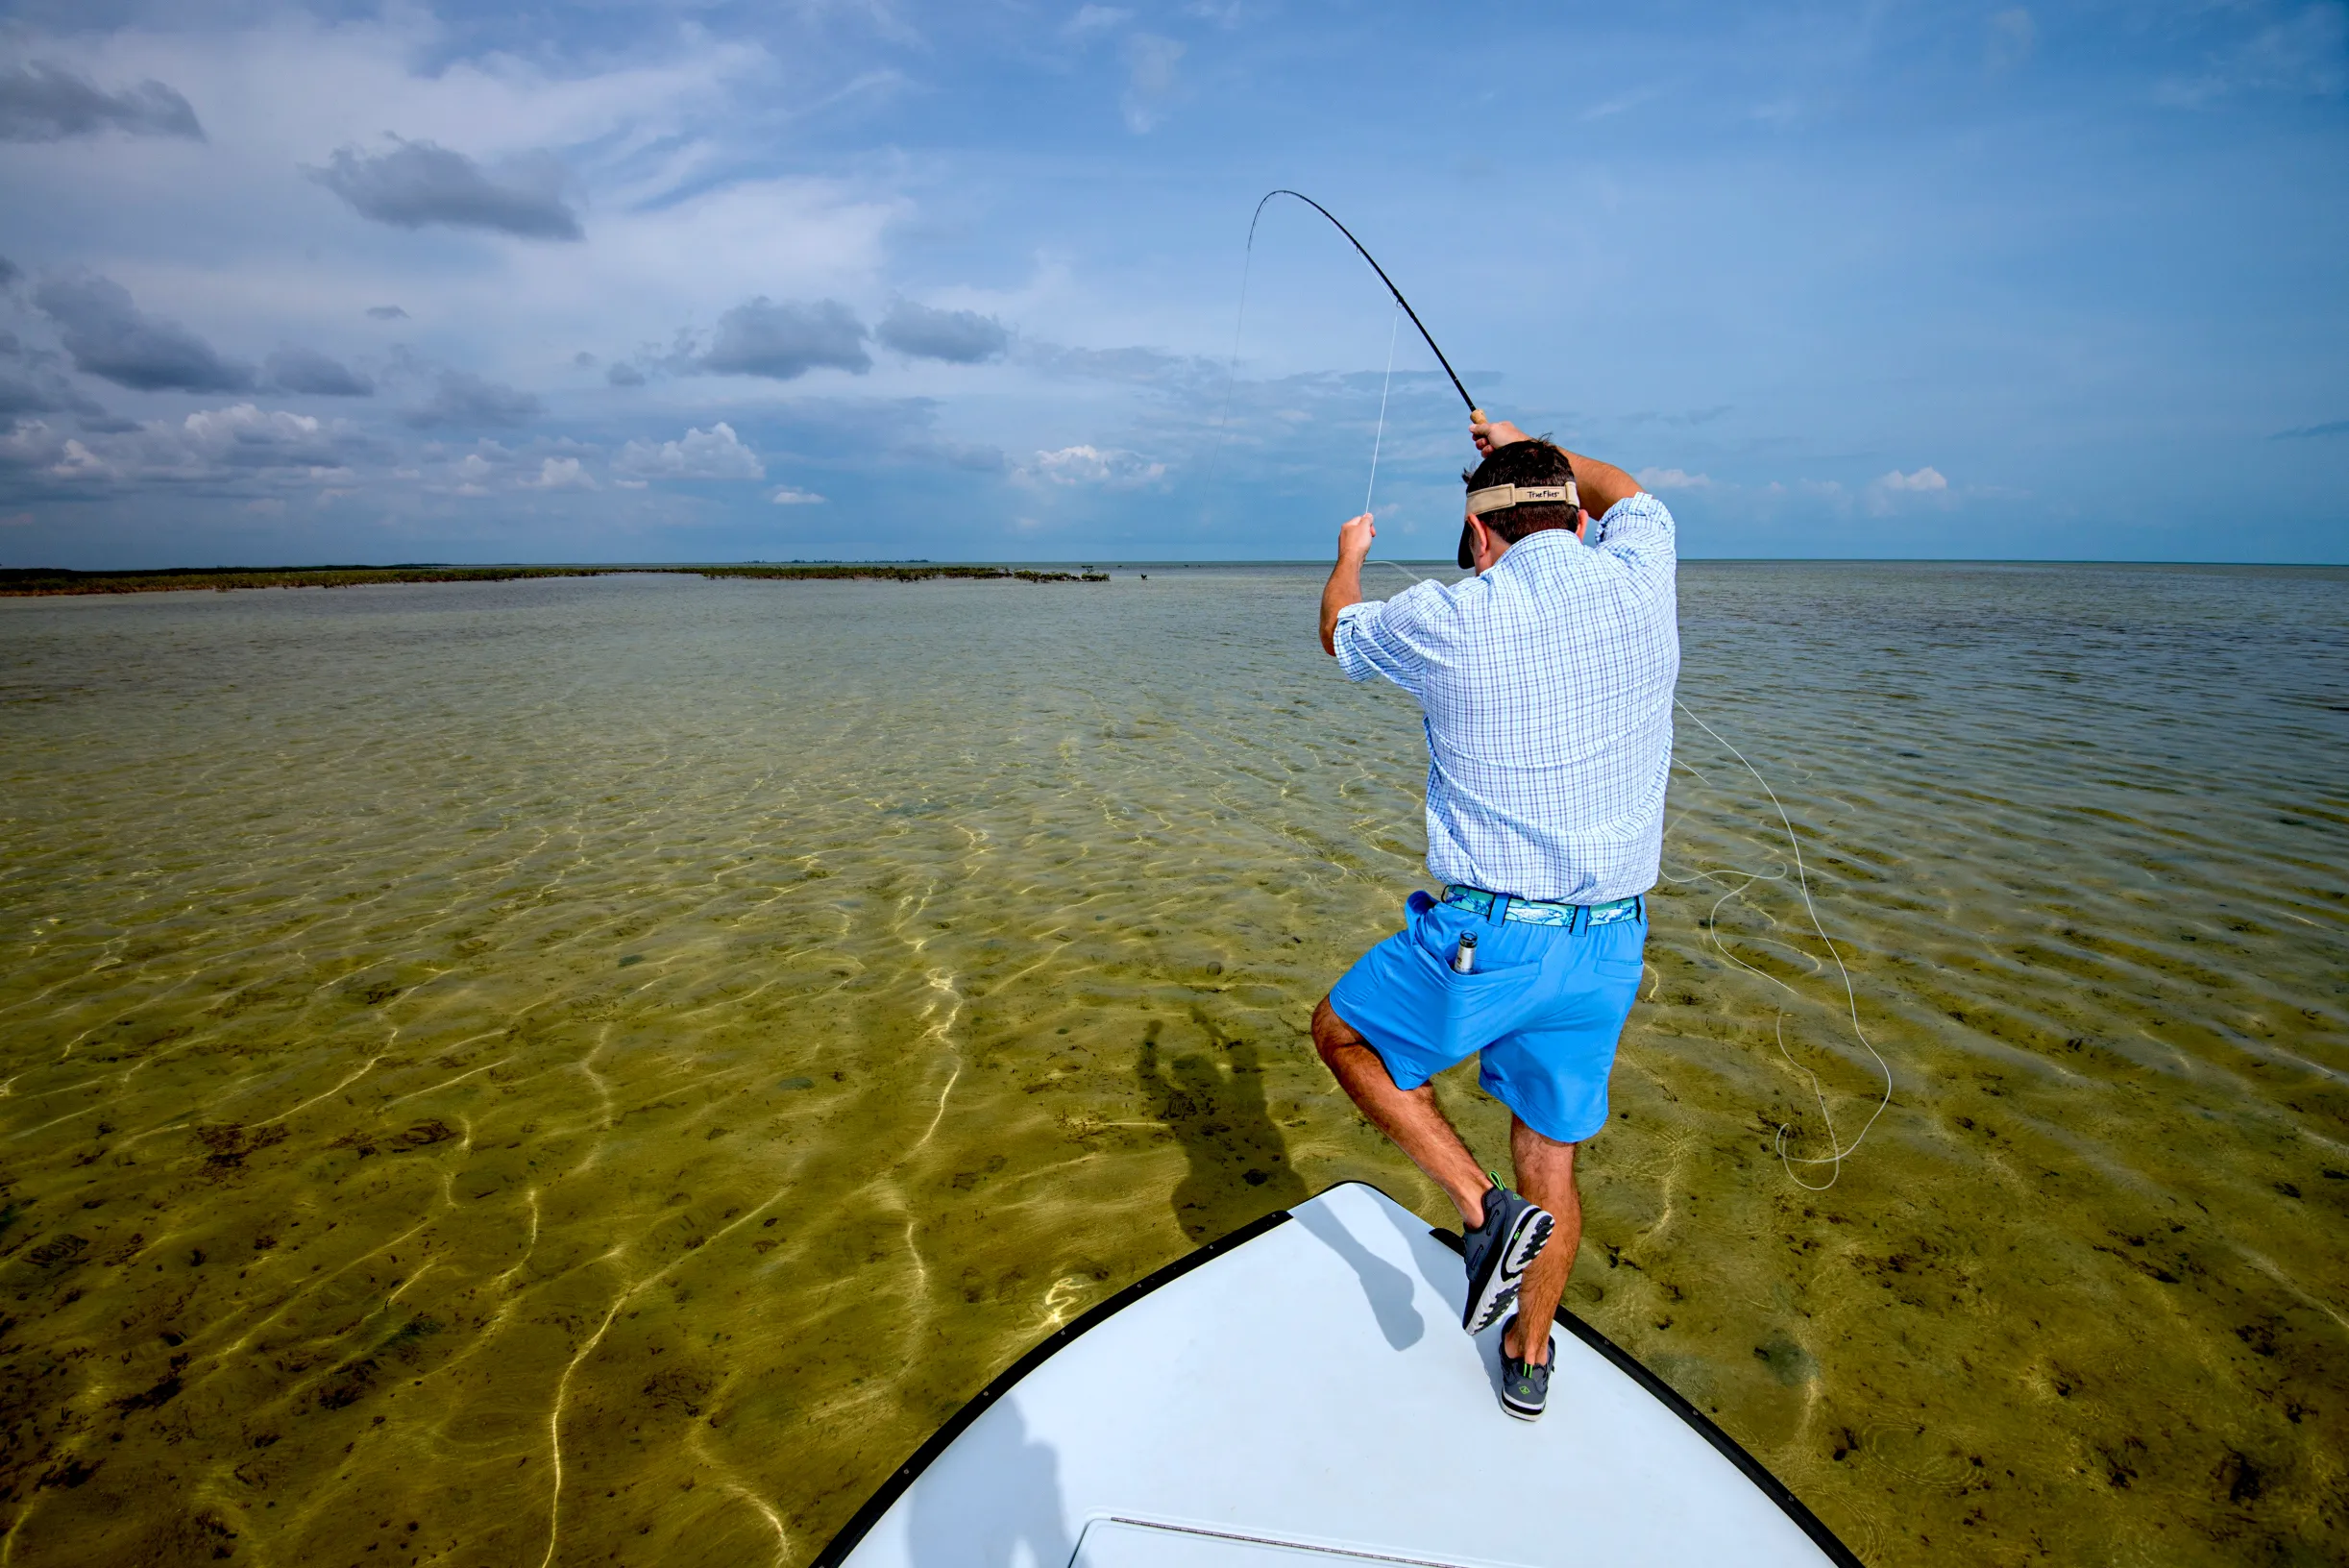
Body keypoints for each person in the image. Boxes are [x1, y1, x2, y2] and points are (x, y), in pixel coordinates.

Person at [1311, 415, 1680, 1421]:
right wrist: (1533, 446)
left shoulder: (1450, 615)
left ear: (1480, 539)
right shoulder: (1646, 572)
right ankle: (1528, 1362)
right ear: (1573, 511)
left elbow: (1339, 630)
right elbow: (1627, 489)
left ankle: (1481, 1214)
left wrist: (1349, 558)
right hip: (1610, 942)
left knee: (1341, 1033)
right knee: (1550, 1151)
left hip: (1493, 938)